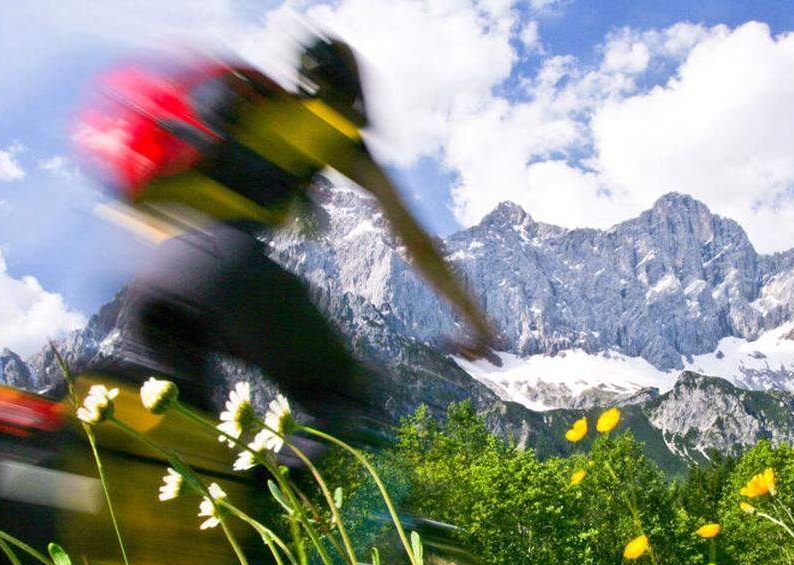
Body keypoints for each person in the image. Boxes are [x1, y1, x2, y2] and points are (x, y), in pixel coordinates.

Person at [75, 36, 499, 429]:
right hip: (228, 268)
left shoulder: (247, 113)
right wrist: (477, 321)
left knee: (177, 427)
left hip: (153, 287)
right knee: (346, 407)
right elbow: (414, 238)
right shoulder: (323, 124)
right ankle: (305, 506)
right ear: (349, 93)